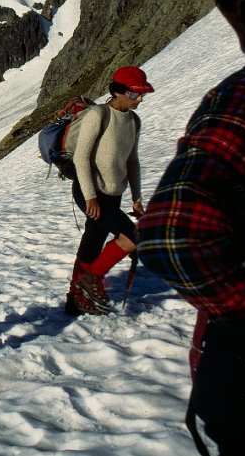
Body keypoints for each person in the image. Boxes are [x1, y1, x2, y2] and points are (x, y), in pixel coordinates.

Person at [137, 0, 245, 455]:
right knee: (109, 236)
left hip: (230, 378)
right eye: (134, 93)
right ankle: (82, 290)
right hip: (240, 379)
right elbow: (174, 231)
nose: (140, 99)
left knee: (115, 235)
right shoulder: (241, 98)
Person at [64, 65, 153, 315]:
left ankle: (75, 301)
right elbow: (81, 157)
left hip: (114, 193)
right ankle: (91, 280)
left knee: (92, 242)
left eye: (141, 94)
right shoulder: (98, 115)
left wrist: (136, 198)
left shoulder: (134, 121)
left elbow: (132, 161)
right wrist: (90, 196)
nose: (140, 99)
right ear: (118, 92)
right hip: (90, 191)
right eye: (135, 94)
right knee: (131, 237)